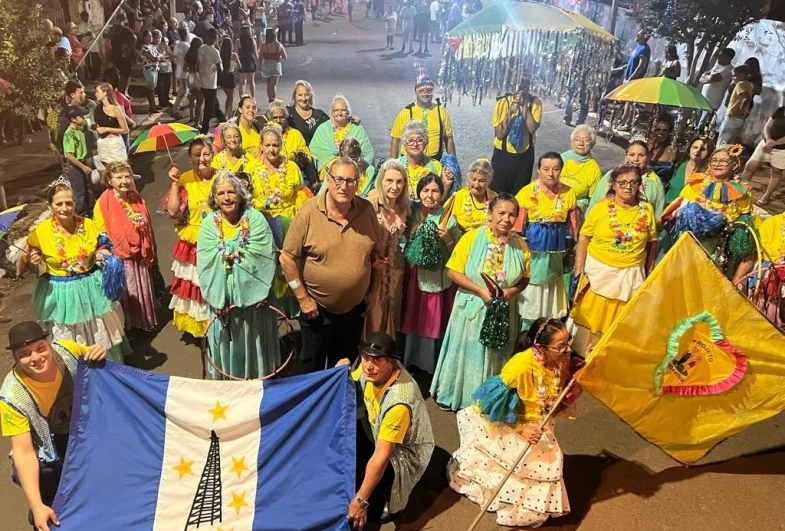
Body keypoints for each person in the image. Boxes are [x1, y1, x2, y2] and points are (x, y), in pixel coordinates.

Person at [448, 317, 577, 527]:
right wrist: (522, 429)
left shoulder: (560, 358)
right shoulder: (519, 367)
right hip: (512, 424)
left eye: (568, 341)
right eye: (560, 346)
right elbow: (493, 406)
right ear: (540, 347)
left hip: (542, 422)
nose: (567, 349)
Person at [0, 321, 107, 531]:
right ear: (16, 359)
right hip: (44, 449)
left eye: (40, 348)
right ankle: (41, 509)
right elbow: (23, 452)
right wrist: (36, 504)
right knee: (49, 506)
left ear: (49, 344)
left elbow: (98, 366)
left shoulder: (69, 350)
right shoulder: (12, 396)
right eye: (25, 354)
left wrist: (99, 351)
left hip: (80, 429)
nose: (36, 358)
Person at [280, 157, 384, 373]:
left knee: (344, 365)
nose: (343, 186)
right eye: (338, 179)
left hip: (354, 310)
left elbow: (377, 256)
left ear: (358, 183)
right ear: (328, 179)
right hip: (316, 310)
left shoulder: (366, 211)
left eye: (350, 181)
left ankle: (337, 405)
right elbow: (287, 257)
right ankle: (311, 405)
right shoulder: (309, 212)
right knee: (312, 365)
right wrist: (303, 298)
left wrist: (373, 292)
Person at [431, 194, 532, 411]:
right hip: (473, 309)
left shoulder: (520, 244)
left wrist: (511, 291)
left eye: (512, 214)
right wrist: (480, 290)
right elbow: (453, 272)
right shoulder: (472, 238)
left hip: (504, 311)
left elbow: (525, 278)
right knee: (469, 353)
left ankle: (490, 399)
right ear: (490, 214)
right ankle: (461, 397)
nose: (506, 218)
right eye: (501, 213)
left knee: (498, 356)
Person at [19, 180, 131, 361]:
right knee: (69, 333)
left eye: (69, 203)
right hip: (60, 291)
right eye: (59, 204)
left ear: (75, 203)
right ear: (50, 206)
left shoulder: (88, 224)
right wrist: (31, 260)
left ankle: (106, 368)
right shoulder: (41, 232)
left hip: (90, 285)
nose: (65, 208)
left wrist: (102, 253)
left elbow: (104, 244)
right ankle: (77, 373)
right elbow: (27, 265)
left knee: (98, 329)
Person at [339, 331, 434, 526]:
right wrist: (340, 373)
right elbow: (353, 383)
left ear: (391, 362)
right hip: (375, 427)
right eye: (365, 358)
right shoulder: (369, 370)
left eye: (376, 360)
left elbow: (382, 455)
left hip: (404, 452)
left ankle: (387, 502)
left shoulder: (399, 402)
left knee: (378, 470)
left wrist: (361, 500)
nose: (368, 366)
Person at [196, 172, 281, 379]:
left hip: (256, 300)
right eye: (221, 193)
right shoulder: (208, 226)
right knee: (228, 341)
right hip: (223, 300)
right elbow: (206, 265)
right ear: (215, 198)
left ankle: (259, 380)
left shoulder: (256, 219)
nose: (227, 198)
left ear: (240, 194)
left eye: (231, 192)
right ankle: (230, 382)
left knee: (255, 339)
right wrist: (218, 297)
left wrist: (259, 292)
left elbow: (265, 257)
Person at [572, 164, 658, 336]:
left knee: (621, 328)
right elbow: (584, 236)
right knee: (591, 325)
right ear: (613, 184)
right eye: (623, 182)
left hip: (631, 275)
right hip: (600, 273)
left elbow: (652, 242)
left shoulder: (647, 210)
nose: (628, 186)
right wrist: (579, 266)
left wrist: (649, 270)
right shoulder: (601, 207)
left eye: (633, 182)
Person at [661, 146, 754, 277]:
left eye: (723, 161)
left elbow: (745, 219)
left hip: (719, 248)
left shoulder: (743, 191)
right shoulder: (696, 183)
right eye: (714, 160)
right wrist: (698, 217)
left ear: (735, 165)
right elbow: (678, 211)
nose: (717, 164)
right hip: (689, 244)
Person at [401, 174, 461, 373]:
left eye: (435, 191)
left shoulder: (448, 217)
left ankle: (428, 363)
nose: (430, 195)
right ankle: (410, 358)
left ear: (442, 194)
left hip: (437, 275)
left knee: (431, 316)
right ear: (418, 192)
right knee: (413, 313)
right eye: (425, 190)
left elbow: (459, 253)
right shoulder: (410, 211)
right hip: (413, 273)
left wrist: (448, 239)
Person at [515, 153, 579, 329]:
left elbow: (574, 229)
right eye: (546, 169)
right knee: (531, 295)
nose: (551, 174)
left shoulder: (569, 193)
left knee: (550, 298)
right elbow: (517, 228)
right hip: (532, 255)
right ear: (538, 170)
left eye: (556, 169)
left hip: (556, 256)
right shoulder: (527, 192)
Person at [93, 162, 158, 331]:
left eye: (127, 176)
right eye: (119, 177)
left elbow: (147, 223)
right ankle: (130, 327)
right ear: (109, 180)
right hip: (121, 257)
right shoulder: (103, 203)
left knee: (142, 287)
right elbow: (100, 232)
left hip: (140, 254)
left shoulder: (135, 197)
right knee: (128, 292)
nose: (124, 181)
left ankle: (144, 321)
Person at [165, 137, 217, 338]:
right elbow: (173, 212)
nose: (202, 159)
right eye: (197, 155)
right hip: (194, 241)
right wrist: (175, 184)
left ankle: (219, 323)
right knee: (198, 288)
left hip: (218, 238)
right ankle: (204, 328)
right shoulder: (184, 179)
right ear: (189, 158)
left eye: (206, 154)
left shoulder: (221, 177)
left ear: (212, 155)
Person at [364, 160, 411, 339]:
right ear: (380, 181)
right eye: (389, 181)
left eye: (399, 181)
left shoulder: (405, 206)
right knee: (372, 312)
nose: (394, 186)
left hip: (393, 271)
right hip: (372, 270)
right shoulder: (371, 205)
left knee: (390, 311)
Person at [390, 64, 455, 161]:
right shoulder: (406, 112)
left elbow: (448, 138)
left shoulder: (440, 111)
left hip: (434, 161)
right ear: (416, 93)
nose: (426, 93)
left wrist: (453, 163)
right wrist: (393, 165)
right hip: (409, 162)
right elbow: (395, 141)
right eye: (422, 91)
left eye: (429, 90)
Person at [588, 140, 666, 219]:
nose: (636, 159)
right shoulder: (612, 176)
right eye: (632, 155)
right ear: (626, 157)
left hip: (641, 227)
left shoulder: (655, 181)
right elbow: (594, 204)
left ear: (648, 157)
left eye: (641, 155)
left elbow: (659, 214)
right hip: (609, 224)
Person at [491, 75, 542, 194]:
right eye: (520, 82)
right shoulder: (502, 102)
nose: (523, 86)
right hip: (502, 156)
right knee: (496, 194)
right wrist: (510, 112)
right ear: (513, 83)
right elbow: (499, 134)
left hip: (524, 157)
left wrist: (524, 106)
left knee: (518, 195)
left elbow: (532, 128)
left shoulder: (535, 103)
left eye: (526, 82)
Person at [252, 125, 304, 218]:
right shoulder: (252, 167)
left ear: (281, 145)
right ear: (261, 146)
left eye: (275, 145)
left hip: (288, 219)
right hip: (261, 219)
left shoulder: (291, 167)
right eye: (267, 145)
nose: (271, 150)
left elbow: (300, 195)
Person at [310, 94, 373, 170]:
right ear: (332, 112)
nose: (339, 113)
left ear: (348, 112)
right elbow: (315, 150)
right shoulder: (323, 128)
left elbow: (367, 153)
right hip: (328, 170)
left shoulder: (357, 129)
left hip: (353, 168)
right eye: (336, 110)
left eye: (343, 110)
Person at [266, 100, 317, 185]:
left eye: (281, 117)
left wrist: (301, 156)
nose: (278, 120)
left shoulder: (295, 134)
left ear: (286, 118)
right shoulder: (265, 136)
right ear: (270, 118)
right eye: (275, 118)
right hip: (272, 177)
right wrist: (292, 155)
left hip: (295, 175)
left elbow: (307, 160)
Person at [742, 105, 785, 205]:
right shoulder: (780, 110)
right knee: (750, 166)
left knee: (776, 173)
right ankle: (739, 190)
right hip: (766, 143)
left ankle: (766, 197)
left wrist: (774, 143)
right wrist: (769, 139)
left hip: (782, 150)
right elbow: (768, 126)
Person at [396, 120, 445, 200]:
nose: (415, 144)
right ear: (404, 144)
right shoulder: (396, 165)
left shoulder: (435, 166)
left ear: (426, 143)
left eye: (420, 140)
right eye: (410, 141)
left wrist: (446, 184)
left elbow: (440, 198)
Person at [560, 125, 602, 214]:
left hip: (576, 211)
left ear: (592, 144)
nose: (581, 143)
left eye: (586, 140)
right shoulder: (560, 159)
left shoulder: (594, 168)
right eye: (577, 139)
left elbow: (594, 199)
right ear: (571, 142)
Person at [449, 158, 497, 232]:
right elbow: (448, 225)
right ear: (468, 178)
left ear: (489, 181)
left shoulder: (495, 198)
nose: (476, 185)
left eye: (482, 181)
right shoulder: (458, 197)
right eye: (473, 179)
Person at [617, 29, 651, 130]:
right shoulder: (638, 47)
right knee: (628, 101)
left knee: (631, 103)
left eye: (639, 34)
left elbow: (641, 66)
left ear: (644, 36)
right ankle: (623, 122)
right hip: (628, 78)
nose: (636, 35)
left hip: (634, 80)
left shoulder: (645, 49)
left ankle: (628, 124)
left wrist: (631, 78)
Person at [93, 83, 130, 171]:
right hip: (102, 143)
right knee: (106, 175)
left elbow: (125, 130)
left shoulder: (116, 109)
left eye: (97, 91)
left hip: (115, 145)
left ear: (105, 92)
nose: (95, 94)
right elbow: (98, 126)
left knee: (121, 172)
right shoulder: (97, 109)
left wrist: (107, 129)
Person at [198, 28, 227, 134]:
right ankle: (204, 131)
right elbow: (221, 69)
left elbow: (198, 64)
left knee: (215, 105)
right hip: (211, 83)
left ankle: (224, 122)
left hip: (202, 82)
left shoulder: (201, 48)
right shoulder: (215, 52)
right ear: (215, 38)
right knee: (209, 109)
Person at [666, 136, 711, 204]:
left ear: (708, 153)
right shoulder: (678, 165)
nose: (698, 151)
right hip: (668, 208)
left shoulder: (708, 173)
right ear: (689, 149)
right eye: (695, 147)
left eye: (702, 149)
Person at [212, 123, 258, 188]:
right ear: (224, 141)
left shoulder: (250, 158)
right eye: (229, 137)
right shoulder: (217, 159)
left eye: (236, 136)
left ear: (241, 139)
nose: (233, 140)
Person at [698, 47, 735, 129]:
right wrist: (706, 76)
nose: (718, 57)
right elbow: (701, 78)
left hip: (712, 102)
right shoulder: (717, 66)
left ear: (727, 57)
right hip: (703, 98)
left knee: (702, 125)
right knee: (696, 121)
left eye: (721, 55)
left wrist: (706, 76)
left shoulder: (729, 69)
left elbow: (713, 78)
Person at [717, 65, 753, 146]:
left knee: (722, 140)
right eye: (733, 76)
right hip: (740, 118)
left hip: (733, 116)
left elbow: (746, 97)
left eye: (736, 75)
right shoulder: (749, 85)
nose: (734, 78)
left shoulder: (740, 84)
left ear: (745, 74)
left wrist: (740, 110)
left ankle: (716, 155)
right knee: (730, 141)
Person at [286, 80, 330, 145]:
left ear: (311, 96)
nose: (303, 99)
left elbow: (334, 126)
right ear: (294, 96)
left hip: (314, 152)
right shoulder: (286, 112)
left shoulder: (319, 115)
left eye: (306, 95)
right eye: (300, 95)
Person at [104, 10, 135, 93]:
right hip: (122, 53)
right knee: (125, 74)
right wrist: (130, 48)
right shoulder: (124, 29)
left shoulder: (114, 29)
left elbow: (106, 36)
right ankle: (123, 91)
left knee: (120, 73)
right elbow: (134, 38)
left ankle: (121, 91)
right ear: (124, 20)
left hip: (117, 53)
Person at [259, 28, 287, 103]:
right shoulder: (278, 45)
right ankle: (273, 100)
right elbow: (285, 56)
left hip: (266, 65)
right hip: (276, 65)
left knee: (268, 84)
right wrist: (278, 57)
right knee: (273, 84)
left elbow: (261, 57)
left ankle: (270, 100)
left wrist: (259, 66)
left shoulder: (263, 45)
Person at [139, 29, 162, 113]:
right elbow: (154, 57)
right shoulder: (144, 47)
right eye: (149, 36)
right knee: (150, 88)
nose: (151, 38)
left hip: (155, 68)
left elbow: (159, 55)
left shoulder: (151, 46)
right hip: (149, 70)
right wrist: (158, 57)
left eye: (151, 36)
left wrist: (158, 57)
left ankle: (154, 104)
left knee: (153, 88)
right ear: (144, 37)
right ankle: (151, 106)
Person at [172, 26, 192, 119]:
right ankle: (175, 109)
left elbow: (174, 57)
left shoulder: (177, 45)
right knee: (184, 90)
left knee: (184, 89)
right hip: (185, 70)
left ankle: (190, 103)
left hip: (179, 69)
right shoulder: (187, 46)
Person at [218, 35, 239, 117]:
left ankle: (225, 113)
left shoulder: (220, 55)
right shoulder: (234, 55)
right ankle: (229, 115)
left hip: (223, 77)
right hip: (230, 77)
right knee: (230, 98)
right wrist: (235, 65)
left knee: (228, 96)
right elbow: (239, 66)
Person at [152, 30, 173, 111]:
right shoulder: (152, 47)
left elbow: (171, 54)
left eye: (159, 37)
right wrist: (164, 57)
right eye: (156, 38)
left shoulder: (164, 46)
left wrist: (163, 57)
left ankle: (166, 100)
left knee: (167, 86)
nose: (157, 39)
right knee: (161, 87)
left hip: (168, 68)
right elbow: (157, 58)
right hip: (159, 70)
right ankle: (162, 102)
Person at [235, 26, 258, 98]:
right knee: (252, 81)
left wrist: (236, 62)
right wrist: (258, 63)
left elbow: (235, 52)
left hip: (242, 60)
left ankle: (242, 99)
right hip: (250, 60)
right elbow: (256, 54)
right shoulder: (253, 41)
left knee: (242, 82)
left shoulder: (238, 41)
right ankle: (253, 97)